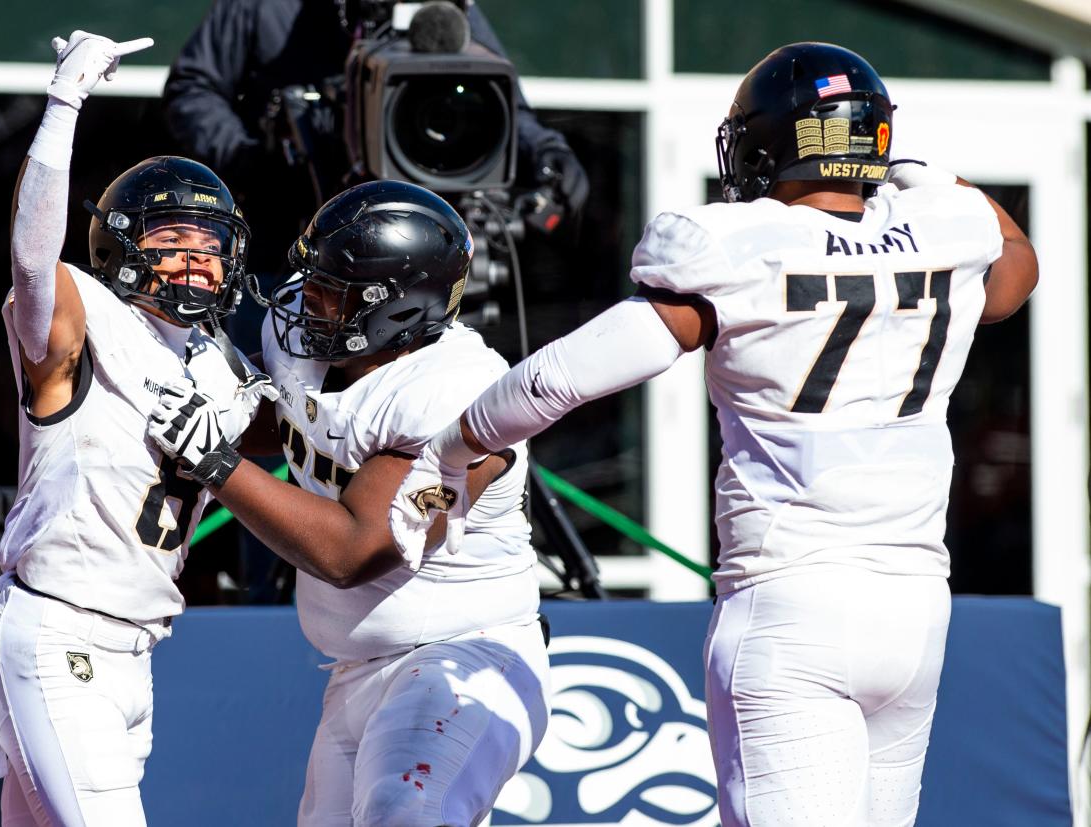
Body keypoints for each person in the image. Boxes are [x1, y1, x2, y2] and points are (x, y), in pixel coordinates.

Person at [388, 42, 1039, 827]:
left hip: (793, 607)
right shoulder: (944, 225)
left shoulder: (740, 244)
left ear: (770, 145)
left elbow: (561, 378)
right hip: (915, 610)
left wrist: (451, 446)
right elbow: (1016, 269)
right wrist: (924, 175)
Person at [0, 30, 273, 825]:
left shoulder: (226, 365)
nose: (198, 262)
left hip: (134, 645)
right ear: (124, 250)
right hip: (62, 625)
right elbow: (29, 259)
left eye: (212, 247)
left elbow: (303, 444)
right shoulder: (88, 316)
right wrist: (63, 107)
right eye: (173, 243)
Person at [146, 179, 550, 827]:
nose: (307, 297)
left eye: (332, 289)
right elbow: (295, 417)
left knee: (406, 812)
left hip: (463, 655)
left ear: (395, 311)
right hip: (357, 670)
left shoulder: (457, 392)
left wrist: (215, 460)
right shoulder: (315, 334)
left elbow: (352, 548)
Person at [160, 0, 589, 282]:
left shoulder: (444, 11)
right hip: (289, 246)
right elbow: (192, 88)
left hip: (415, 249)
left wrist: (549, 154)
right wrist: (251, 157)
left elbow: (498, 101)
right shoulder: (266, 7)